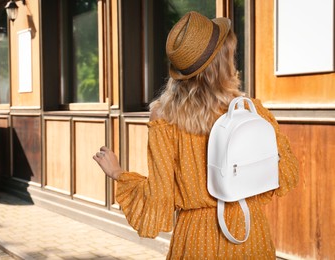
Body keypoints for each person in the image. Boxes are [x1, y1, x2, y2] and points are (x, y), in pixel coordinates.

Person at [93, 11, 299, 259]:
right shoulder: (250, 110)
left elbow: (159, 199)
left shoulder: (163, 118)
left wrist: (117, 173)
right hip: (248, 233)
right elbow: (285, 171)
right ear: (223, 63)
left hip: (196, 239)